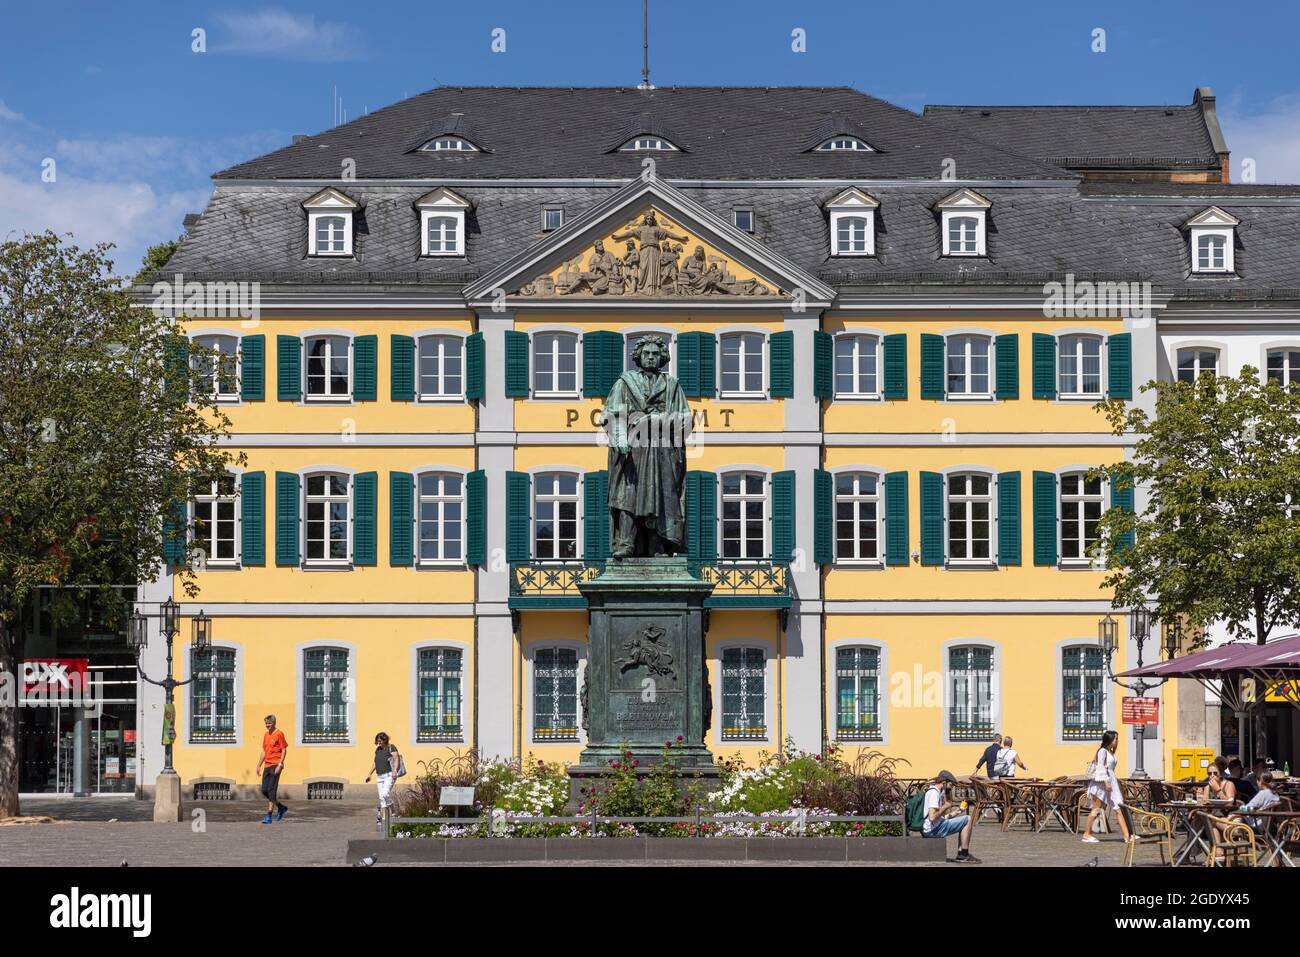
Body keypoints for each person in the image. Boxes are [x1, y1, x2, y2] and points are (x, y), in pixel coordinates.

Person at [1082, 730, 1133, 844]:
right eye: (1115, 738)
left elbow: (1110, 769)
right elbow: (1100, 767)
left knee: (1118, 808)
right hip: (1102, 784)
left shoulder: (1111, 753)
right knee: (1096, 809)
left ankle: (1127, 836)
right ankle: (1086, 833)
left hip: (1111, 782)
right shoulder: (1102, 751)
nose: (1117, 741)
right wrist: (1106, 783)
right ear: (1110, 739)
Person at [922, 770, 980, 863]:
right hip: (933, 830)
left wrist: (957, 811)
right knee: (968, 819)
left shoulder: (933, 791)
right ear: (944, 782)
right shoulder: (934, 793)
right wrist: (945, 806)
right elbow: (932, 817)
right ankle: (963, 854)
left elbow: (940, 817)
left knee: (963, 820)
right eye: (951, 785)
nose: (951, 788)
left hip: (933, 827)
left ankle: (962, 853)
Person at [254, 714, 288, 824]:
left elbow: (284, 750)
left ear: (274, 723)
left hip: (275, 765)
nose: (267, 725)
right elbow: (264, 751)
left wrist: (280, 764)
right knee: (264, 790)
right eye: (266, 723)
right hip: (267, 765)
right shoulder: (266, 735)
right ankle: (281, 807)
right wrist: (259, 765)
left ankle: (268, 816)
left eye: (269, 723)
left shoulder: (279, 734)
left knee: (271, 790)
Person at [363, 732, 401, 825]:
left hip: (389, 775)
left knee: (385, 794)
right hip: (379, 776)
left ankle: (393, 811)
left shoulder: (391, 747)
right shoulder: (378, 750)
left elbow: (396, 759)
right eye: (377, 740)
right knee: (381, 798)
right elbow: (375, 762)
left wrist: (395, 771)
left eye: (380, 740)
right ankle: (384, 818)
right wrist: (369, 774)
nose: (378, 742)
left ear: (385, 740)